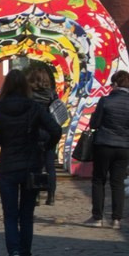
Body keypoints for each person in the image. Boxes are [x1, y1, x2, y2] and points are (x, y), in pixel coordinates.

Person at [0, 67, 59, 256]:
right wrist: (44, 145)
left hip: (8, 168)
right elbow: (55, 130)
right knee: (26, 215)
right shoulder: (34, 108)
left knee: (10, 215)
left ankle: (14, 253)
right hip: (31, 166)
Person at [87, 70, 129, 227]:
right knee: (118, 183)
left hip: (104, 144)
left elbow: (95, 123)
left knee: (99, 180)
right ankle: (116, 219)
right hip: (124, 147)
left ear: (116, 85)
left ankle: (97, 217)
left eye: (112, 84)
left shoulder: (105, 101)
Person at [34, 66, 72, 208]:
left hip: (36, 132)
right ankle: (51, 196)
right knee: (50, 165)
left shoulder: (29, 95)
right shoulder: (51, 94)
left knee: (36, 165)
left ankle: (36, 194)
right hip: (50, 131)